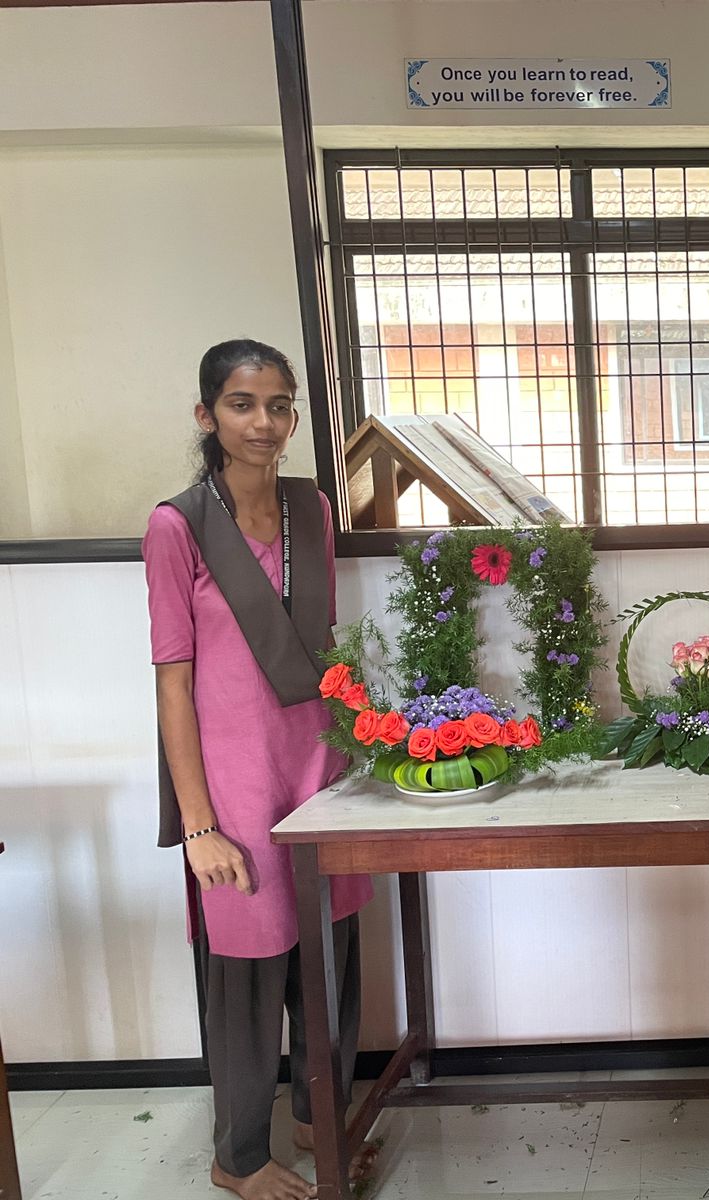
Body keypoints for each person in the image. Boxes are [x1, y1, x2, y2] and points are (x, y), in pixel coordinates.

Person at [143, 340, 375, 1200]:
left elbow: (327, 646)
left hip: (318, 764)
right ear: (207, 415)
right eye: (242, 404)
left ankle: (319, 1119)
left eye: (279, 405)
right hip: (233, 783)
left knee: (328, 957)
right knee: (246, 972)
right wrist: (198, 825)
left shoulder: (312, 509)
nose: (264, 423)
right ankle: (237, 1156)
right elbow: (173, 682)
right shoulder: (177, 526)